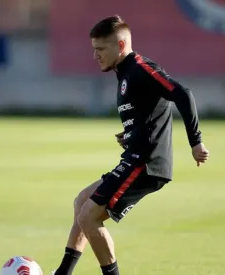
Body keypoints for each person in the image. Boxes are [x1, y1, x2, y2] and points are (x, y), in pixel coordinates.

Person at [52, 15, 209, 275]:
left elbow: (182, 94)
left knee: (88, 216)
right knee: (82, 202)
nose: (95, 56)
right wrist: (131, 134)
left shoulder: (141, 68)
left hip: (146, 164)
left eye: (100, 49)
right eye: (94, 49)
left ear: (121, 46)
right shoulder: (124, 73)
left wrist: (196, 142)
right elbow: (150, 113)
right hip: (134, 157)